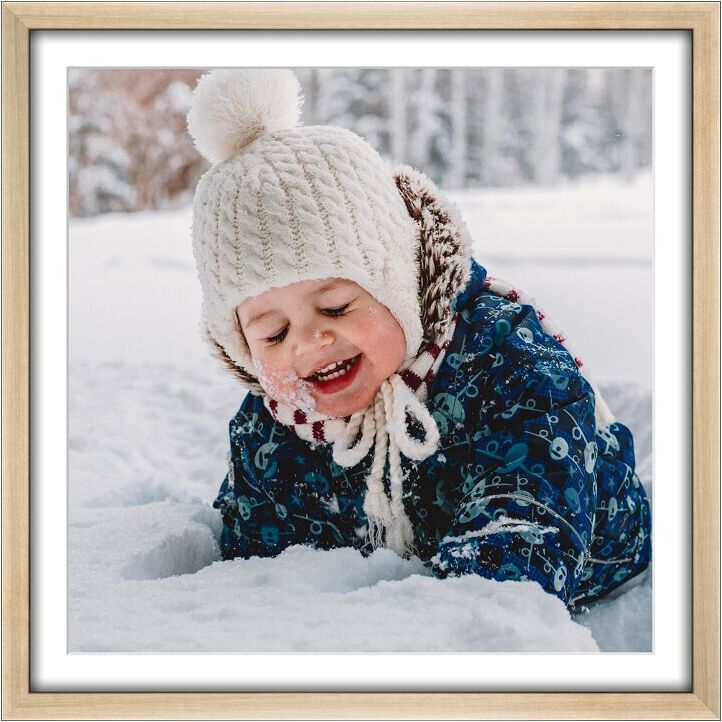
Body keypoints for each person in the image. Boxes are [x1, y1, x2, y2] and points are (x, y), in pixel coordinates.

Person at [187, 68, 651, 608]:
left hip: (590, 552)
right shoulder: (272, 430)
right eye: (273, 333)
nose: (308, 341)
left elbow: (519, 549)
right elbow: (254, 560)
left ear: (400, 286)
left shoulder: (513, 372)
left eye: (336, 306)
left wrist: (435, 625)